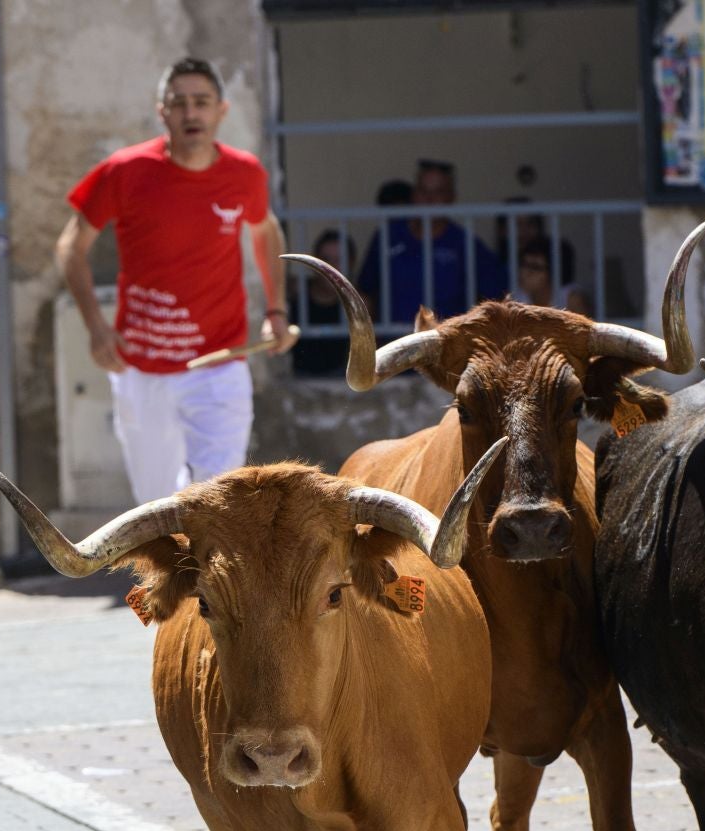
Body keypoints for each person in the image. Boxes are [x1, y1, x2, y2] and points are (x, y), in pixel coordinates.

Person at [57, 56, 294, 504]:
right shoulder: (124, 171)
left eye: (201, 102)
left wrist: (276, 310)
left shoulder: (244, 174)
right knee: (157, 509)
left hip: (220, 365)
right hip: (142, 371)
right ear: (161, 112)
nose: (191, 113)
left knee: (221, 502)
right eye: (179, 103)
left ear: (221, 110)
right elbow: (71, 246)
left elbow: (265, 230)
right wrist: (95, 327)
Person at [355, 159, 507, 325]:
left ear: (451, 197)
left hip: (446, 339)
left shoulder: (464, 243)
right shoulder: (388, 236)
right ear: (414, 194)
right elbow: (364, 292)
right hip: (395, 339)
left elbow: (496, 297)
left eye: (438, 192)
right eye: (423, 190)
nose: (429, 199)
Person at [291, 229, 352, 377]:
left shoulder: (358, 307)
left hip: (343, 381)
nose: (331, 268)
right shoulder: (296, 298)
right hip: (298, 378)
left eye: (339, 260)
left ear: (351, 263)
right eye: (325, 260)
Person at [514, 238, 593, 316]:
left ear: (554, 271)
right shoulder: (518, 298)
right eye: (523, 264)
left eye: (535, 267)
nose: (523, 272)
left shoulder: (571, 300)